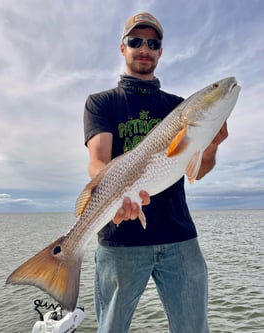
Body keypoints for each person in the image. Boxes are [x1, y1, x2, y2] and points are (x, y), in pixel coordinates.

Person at [83, 12, 228, 333]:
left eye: (153, 42)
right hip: (120, 239)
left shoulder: (178, 107)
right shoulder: (102, 103)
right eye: (135, 41)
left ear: (161, 51)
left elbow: (197, 171)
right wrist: (115, 196)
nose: (144, 48)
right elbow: (97, 161)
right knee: (111, 328)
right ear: (123, 48)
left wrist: (212, 146)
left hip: (179, 237)